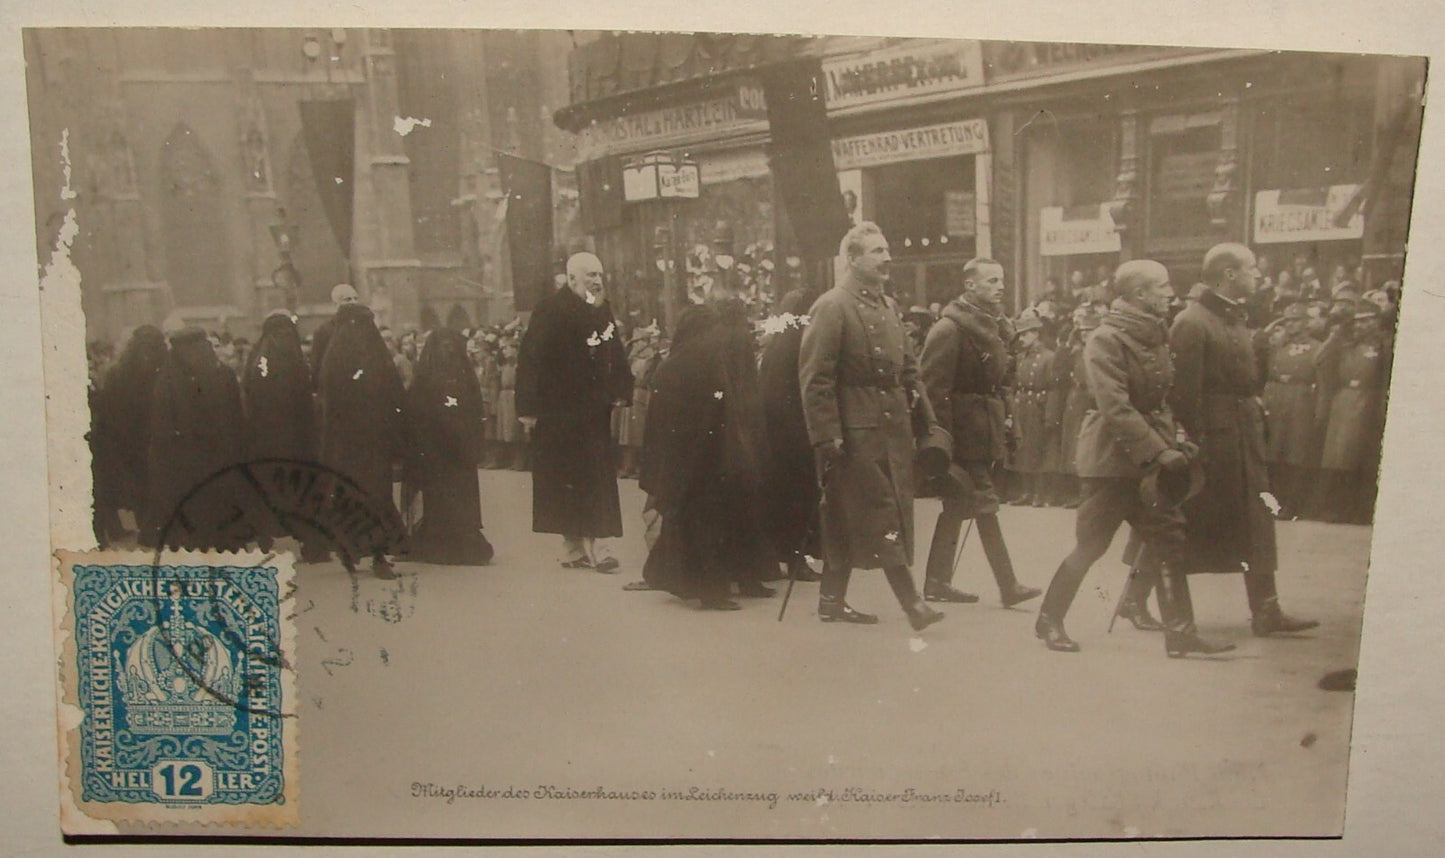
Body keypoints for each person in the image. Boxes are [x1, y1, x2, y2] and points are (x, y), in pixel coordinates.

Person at [1034, 260, 1234, 657]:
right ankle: (1049, 620)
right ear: (1140, 294)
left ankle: (1180, 633)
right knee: (1091, 545)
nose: (1170, 293)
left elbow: (1159, 401)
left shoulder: (1153, 337)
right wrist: (1160, 451)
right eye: (1162, 286)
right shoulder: (1106, 340)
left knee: (1169, 538)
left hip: (1148, 458)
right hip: (1110, 461)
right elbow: (1115, 407)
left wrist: (1176, 438)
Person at [798, 222, 945, 631]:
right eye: (877, 252)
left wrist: (926, 423)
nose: (887, 259)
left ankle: (830, 601)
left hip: (892, 427)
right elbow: (816, 379)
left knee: (849, 517)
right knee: (882, 515)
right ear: (853, 259)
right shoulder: (833, 306)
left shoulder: (889, 307)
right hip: (854, 430)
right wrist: (826, 435)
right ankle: (913, 605)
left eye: (887, 250)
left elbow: (911, 371)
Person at [1169, 243, 1318, 636]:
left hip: (1243, 437)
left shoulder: (1235, 318)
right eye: (1252, 269)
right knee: (1187, 521)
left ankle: (1266, 610)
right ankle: (1140, 597)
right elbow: (1183, 394)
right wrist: (1195, 442)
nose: (1259, 276)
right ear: (1229, 274)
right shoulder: (1192, 321)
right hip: (1213, 444)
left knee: (1256, 521)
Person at [637, 271, 776, 608]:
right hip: (710, 458)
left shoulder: (670, 367)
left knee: (691, 524)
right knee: (709, 524)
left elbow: (656, 426)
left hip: (685, 460)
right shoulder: (706, 363)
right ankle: (714, 590)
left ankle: (697, 583)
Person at [919, 258, 1043, 608]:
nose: (1000, 287)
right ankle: (1008, 585)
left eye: (1001, 280)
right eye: (991, 281)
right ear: (970, 286)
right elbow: (932, 389)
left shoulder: (992, 327)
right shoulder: (950, 329)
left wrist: (1006, 423)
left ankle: (936, 582)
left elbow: (1001, 384)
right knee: (984, 501)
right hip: (960, 434)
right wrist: (941, 441)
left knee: (957, 506)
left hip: (982, 429)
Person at [516, 252, 634, 572]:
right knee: (564, 479)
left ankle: (602, 546)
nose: (597, 281)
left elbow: (614, 351)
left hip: (593, 412)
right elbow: (530, 360)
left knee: (596, 477)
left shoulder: (601, 309)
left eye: (600, 275)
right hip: (558, 413)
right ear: (572, 280)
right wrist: (527, 407)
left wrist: (623, 387)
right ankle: (572, 547)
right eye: (591, 276)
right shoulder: (549, 311)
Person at [317, 300, 407, 578]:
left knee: (352, 496)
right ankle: (376, 554)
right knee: (374, 496)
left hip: (348, 445)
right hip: (371, 441)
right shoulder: (375, 355)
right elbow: (394, 395)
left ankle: (354, 549)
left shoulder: (334, 357)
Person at [141, 326, 246, 549]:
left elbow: (161, 425)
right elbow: (237, 417)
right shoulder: (223, 374)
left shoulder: (168, 379)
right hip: (219, 458)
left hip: (183, 461)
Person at [403, 327, 495, 565]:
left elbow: (475, 409)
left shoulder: (459, 374)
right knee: (442, 496)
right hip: (439, 449)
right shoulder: (428, 375)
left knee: (456, 496)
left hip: (457, 450)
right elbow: (415, 412)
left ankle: (457, 543)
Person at [758, 274, 827, 583]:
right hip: (795, 431)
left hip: (775, 431)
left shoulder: (776, 345)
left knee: (781, 496)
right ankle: (797, 555)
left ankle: (780, 554)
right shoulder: (800, 344)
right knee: (800, 496)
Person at [1314, 300, 1393, 524]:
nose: (1361, 326)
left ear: (1376, 321)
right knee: (1340, 459)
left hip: (1369, 402)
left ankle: (1360, 511)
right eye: (1357, 322)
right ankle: (1337, 508)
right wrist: (1338, 332)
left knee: (1362, 459)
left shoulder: (1383, 345)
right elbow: (1320, 359)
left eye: (1366, 320)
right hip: (1344, 402)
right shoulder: (1345, 344)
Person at [93, 325, 168, 545]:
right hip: (157, 436)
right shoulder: (166, 369)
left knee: (140, 485)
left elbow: (109, 409)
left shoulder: (118, 372)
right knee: (157, 483)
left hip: (130, 440)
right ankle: (157, 528)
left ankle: (147, 527)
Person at [1261, 303, 1324, 519]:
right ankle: (1275, 503)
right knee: (1274, 453)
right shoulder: (1279, 347)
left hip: (1302, 400)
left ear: (1306, 323)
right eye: (1287, 321)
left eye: (1296, 320)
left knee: (1296, 453)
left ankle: (1293, 504)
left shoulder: (1317, 347)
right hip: (1278, 400)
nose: (1291, 325)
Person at [1009, 308, 1057, 507]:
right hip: (1023, 406)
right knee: (1023, 449)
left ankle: (1039, 493)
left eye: (1025, 334)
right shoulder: (1021, 357)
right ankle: (1026, 492)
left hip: (1039, 406)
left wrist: (1049, 414)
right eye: (1020, 334)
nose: (1021, 339)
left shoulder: (1049, 357)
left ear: (1036, 333)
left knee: (1038, 450)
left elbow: (1053, 388)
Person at [308, 283, 361, 386]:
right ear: (335, 304)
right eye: (347, 299)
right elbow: (317, 365)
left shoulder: (363, 327)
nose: (353, 302)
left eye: (356, 298)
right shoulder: (323, 331)